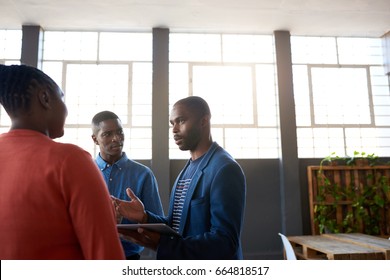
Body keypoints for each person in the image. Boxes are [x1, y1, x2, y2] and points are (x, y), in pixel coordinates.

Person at [0, 64, 125, 260]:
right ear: (45, 98)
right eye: (62, 97)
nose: (66, 109)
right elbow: (105, 256)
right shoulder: (70, 160)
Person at [114, 96, 246, 259]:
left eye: (181, 121)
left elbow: (225, 243)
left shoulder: (225, 169)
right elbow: (178, 225)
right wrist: (144, 217)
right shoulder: (188, 168)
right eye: (172, 123)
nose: (174, 129)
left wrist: (162, 244)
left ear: (204, 121)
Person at [91, 110, 164, 260]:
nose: (116, 138)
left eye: (120, 132)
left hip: (130, 259)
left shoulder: (144, 174)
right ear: (95, 139)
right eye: (107, 134)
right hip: (90, 257)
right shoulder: (83, 172)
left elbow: (156, 224)